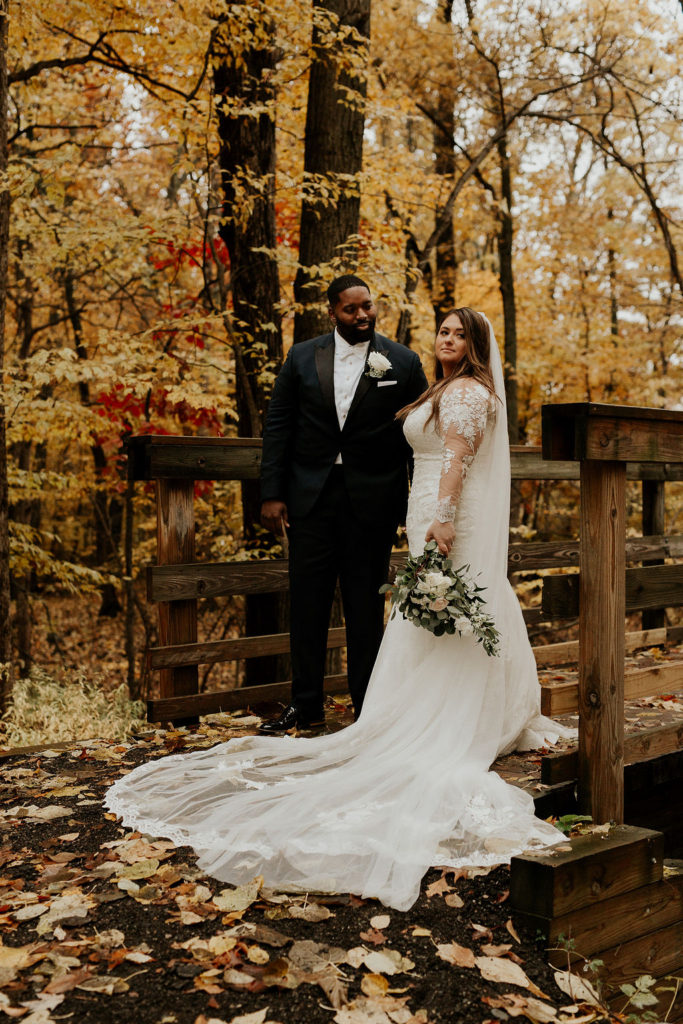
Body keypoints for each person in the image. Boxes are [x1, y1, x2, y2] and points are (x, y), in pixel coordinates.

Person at [105, 308, 570, 912]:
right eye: (443, 331)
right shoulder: (439, 386)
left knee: (456, 603)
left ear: (476, 344)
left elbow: (455, 458)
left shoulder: (469, 394)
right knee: (436, 608)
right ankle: (428, 703)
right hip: (425, 506)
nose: (445, 339)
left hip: (448, 513)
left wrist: (444, 518)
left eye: (457, 334)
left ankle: (464, 710)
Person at [258, 274, 428, 732]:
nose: (363, 316)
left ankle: (367, 707)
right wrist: (272, 493)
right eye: (352, 309)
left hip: (371, 502)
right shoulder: (300, 357)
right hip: (310, 499)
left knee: (364, 609)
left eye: (368, 306)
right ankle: (305, 704)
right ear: (331, 311)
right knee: (307, 604)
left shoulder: (403, 361)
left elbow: (419, 437)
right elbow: (279, 426)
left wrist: (418, 507)